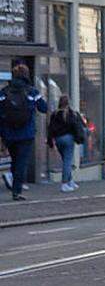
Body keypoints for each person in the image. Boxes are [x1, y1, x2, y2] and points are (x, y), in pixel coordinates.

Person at [0, 65, 49, 200]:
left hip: (8, 133)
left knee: (15, 160)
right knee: (22, 162)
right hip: (26, 133)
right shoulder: (32, 92)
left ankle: (12, 178)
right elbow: (44, 108)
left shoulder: (4, 92)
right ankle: (17, 190)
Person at [46, 96, 86, 193]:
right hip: (68, 139)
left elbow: (50, 129)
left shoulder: (55, 114)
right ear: (69, 103)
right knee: (67, 162)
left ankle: (70, 181)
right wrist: (79, 138)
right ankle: (64, 183)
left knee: (65, 160)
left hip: (58, 139)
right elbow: (78, 126)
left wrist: (50, 142)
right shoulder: (72, 114)